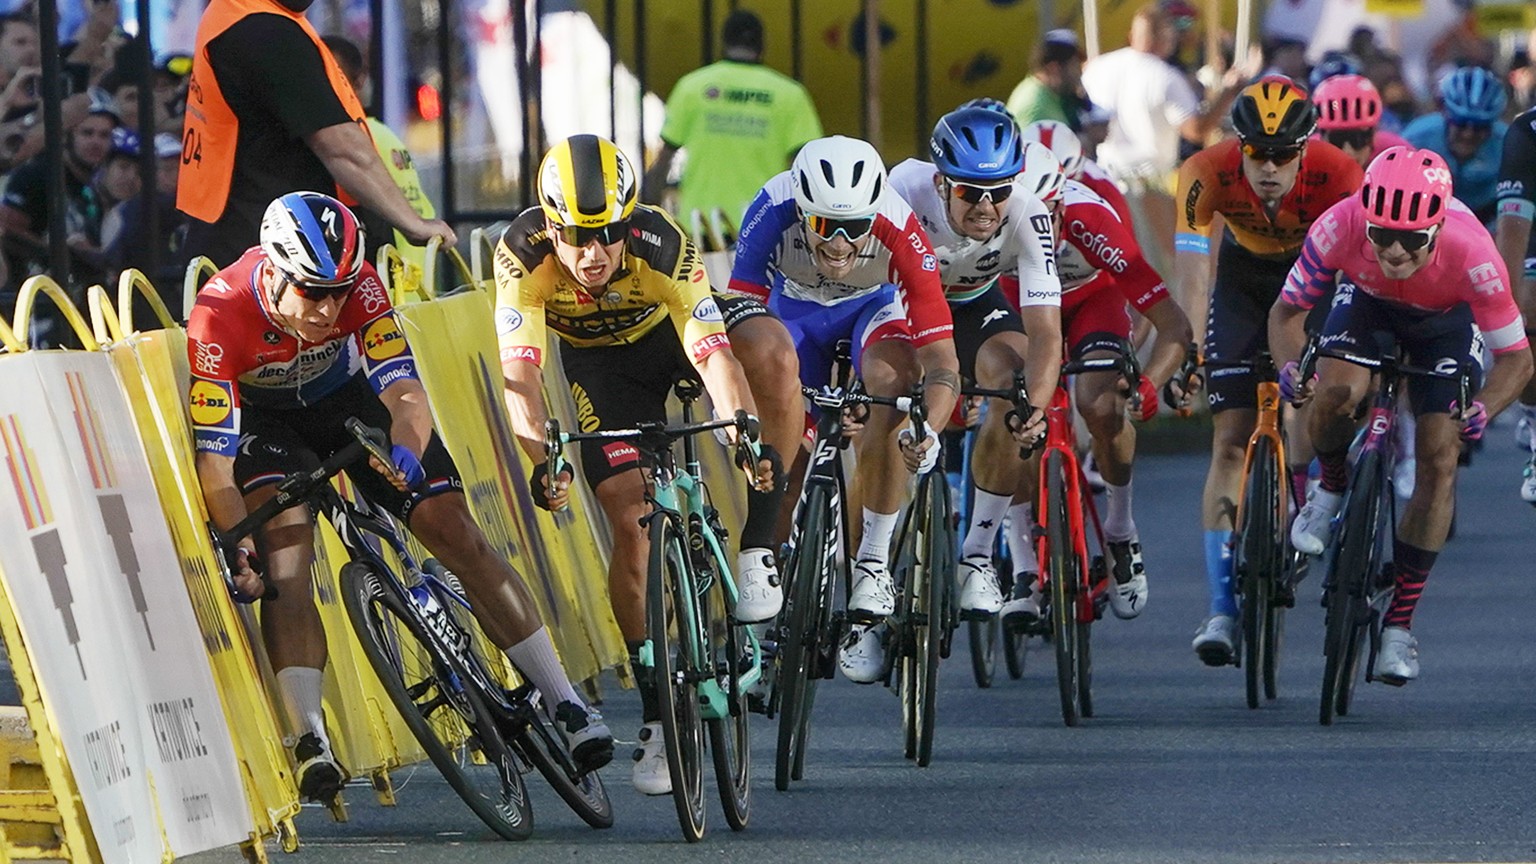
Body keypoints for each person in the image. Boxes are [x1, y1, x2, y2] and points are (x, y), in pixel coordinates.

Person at [188, 191, 612, 804]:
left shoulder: (359, 287)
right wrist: (238, 547)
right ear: (275, 273)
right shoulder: (218, 313)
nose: (330, 308)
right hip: (267, 426)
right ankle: (310, 738)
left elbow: (406, 396)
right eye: (313, 292)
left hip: (347, 403)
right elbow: (217, 468)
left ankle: (564, 703)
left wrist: (407, 452)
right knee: (283, 556)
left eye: (340, 291)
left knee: (453, 528)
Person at [496, 135, 782, 797]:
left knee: (757, 377)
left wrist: (743, 433)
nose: (593, 254)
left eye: (608, 234)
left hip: (668, 340)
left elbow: (713, 355)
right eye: (574, 236)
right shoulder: (521, 255)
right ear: (548, 224)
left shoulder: (663, 243)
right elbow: (522, 377)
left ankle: (753, 549)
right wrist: (544, 462)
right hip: (601, 369)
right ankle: (656, 709)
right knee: (632, 518)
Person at [1272, 147, 1533, 683]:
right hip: (1366, 306)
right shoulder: (1339, 224)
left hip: (1446, 322)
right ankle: (1332, 488)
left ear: (1437, 228)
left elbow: (1518, 359)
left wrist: (1485, 408)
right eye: (1381, 234)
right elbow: (1287, 312)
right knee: (1335, 392)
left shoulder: (1473, 254)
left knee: (1439, 454)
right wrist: (1292, 369)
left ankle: (1399, 625)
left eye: (1411, 239)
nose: (1393, 251)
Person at [724, 135, 961, 683]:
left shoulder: (899, 227)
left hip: (870, 314)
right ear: (802, 210)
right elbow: (743, 322)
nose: (839, 243)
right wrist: (750, 406)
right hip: (795, 315)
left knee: (893, 385)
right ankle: (765, 582)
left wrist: (929, 428)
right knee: (786, 449)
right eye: (825, 226)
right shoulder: (771, 208)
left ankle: (872, 565)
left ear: (873, 213)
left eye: (854, 227)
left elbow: (942, 361)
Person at [1175, 76, 1363, 665]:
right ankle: (1222, 609)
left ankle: (1304, 494)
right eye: (1257, 152)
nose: (1270, 167)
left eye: (1285, 154)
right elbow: (1192, 269)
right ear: (1238, 144)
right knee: (1229, 439)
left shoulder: (1339, 173)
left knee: (1307, 396)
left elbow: (1357, 271)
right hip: (1241, 281)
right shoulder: (1203, 170)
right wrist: (1191, 350)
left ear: (1308, 147)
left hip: (1314, 280)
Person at [888, 109, 1064, 621]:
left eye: (1000, 190)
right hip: (900, 302)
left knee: (1015, 387)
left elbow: (1047, 332)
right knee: (891, 388)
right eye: (970, 191)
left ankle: (978, 557)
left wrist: (1037, 405)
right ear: (942, 183)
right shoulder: (904, 188)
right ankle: (871, 563)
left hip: (972, 304)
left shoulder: (1028, 214)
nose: (987, 206)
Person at [179, 0, 454, 268]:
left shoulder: (241, 18)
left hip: (263, 246)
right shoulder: (261, 28)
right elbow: (341, 147)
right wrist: (413, 224)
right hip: (279, 259)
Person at [642, 9, 823, 237]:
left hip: (701, 227)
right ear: (762, 45)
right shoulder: (790, 95)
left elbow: (662, 162)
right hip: (765, 226)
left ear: (723, 42)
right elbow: (809, 169)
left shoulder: (692, 87)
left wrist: (647, 218)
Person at [321, 35, 438, 278]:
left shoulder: (350, 141)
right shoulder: (383, 134)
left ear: (359, 81)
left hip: (389, 280)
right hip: (411, 281)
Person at [0, 101, 114, 293]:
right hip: (30, 295)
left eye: (104, 135)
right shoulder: (37, 174)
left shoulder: (95, 186)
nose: (96, 142)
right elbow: (7, 227)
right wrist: (61, 251)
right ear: (66, 137)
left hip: (73, 295)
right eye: (87, 133)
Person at [1403, 66, 1509, 227]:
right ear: (1445, 113)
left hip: (1487, 218)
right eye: (1460, 122)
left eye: (1480, 126)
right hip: (1423, 216)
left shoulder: (1508, 144)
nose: (1468, 134)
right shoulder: (1416, 139)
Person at [1494, 103, 1536, 498]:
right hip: (1533, 232)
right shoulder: (1528, 134)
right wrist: (1506, 311)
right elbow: (1511, 234)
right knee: (1528, 300)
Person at [103, 132, 191, 309]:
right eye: (166, 169)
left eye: (179, 168)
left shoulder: (194, 212)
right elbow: (112, 263)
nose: (174, 176)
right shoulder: (125, 213)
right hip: (141, 305)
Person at [1311, 73, 1410, 170]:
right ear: (1322, 138)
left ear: (1374, 134)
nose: (1347, 151)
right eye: (1337, 140)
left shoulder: (1397, 154)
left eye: (1357, 139)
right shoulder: (1307, 157)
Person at [1005, 29, 1086, 129]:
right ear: (1054, 68)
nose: (1080, 72)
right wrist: (1089, 138)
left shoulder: (1056, 95)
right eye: (1075, 65)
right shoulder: (1036, 107)